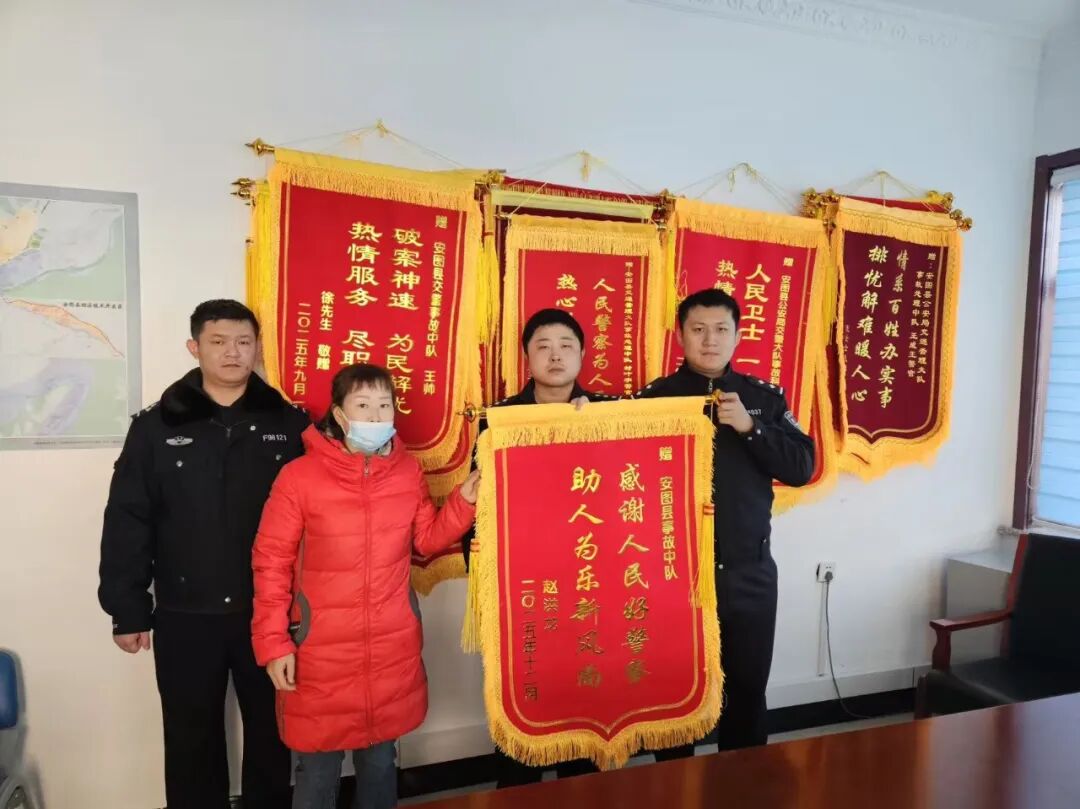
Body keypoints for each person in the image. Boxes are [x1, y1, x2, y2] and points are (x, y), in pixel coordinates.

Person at [98, 299, 309, 809]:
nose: (232, 352)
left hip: (269, 613)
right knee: (191, 743)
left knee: (274, 736)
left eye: (243, 342)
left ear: (257, 348)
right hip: (185, 614)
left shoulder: (291, 424)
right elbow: (127, 519)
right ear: (194, 347)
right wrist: (128, 608)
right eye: (218, 342)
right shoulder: (156, 426)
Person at [252, 363, 480, 809]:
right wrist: (273, 644)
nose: (376, 417)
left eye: (384, 406)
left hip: (389, 648)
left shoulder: (406, 472)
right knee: (317, 771)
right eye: (363, 406)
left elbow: (426, 539)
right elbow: (271, 563)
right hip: (320, 652)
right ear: (339, 414)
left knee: (379, 763)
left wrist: (464, 501)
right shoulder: (298, 478)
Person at [637, 288, 814, 758]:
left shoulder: (761, 399)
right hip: (674, 576)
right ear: (680, 336)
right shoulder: (653, 400)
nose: (709, 340)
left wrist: (751, 429)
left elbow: (802, 467)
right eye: (698, 329)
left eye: (720, 330)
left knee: (747, 694)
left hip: (748, 572)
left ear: (737, 336)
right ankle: (675, 786)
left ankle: (743, 787)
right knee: (675, 700)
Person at [463, 307, 618, 788]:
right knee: (522, 697)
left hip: (590, 584)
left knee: (585, 697)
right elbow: (480, 510)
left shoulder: (612, 414)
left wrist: (594, 432)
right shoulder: (500, 421)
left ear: (583, 354)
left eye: (566, 346)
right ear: (527, 358)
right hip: (524, 588)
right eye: (543, 347)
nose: (555, 356)